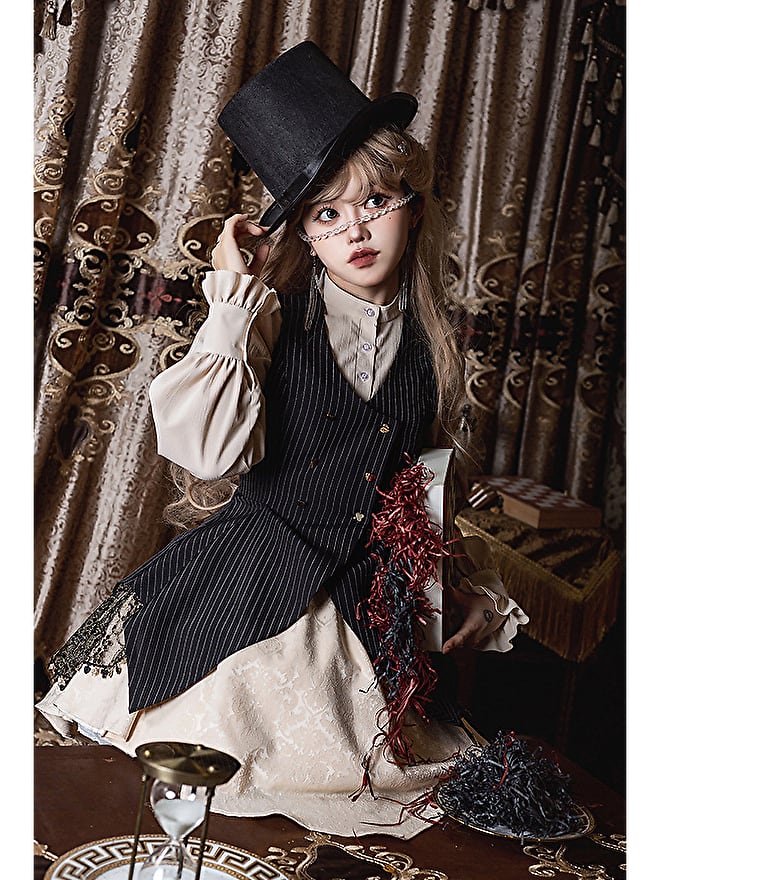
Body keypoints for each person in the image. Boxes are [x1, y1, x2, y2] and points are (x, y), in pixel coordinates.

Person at [36, 41, 528, 839]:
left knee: (396, 802)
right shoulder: (268, 318)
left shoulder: (434, 349)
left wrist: (457, 588)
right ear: (304, 231)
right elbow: (203, 453)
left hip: (362, 611)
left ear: (413, 205)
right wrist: (232, 297)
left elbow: (420, 495)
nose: (355, 229)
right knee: (226, 792)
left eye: (375, 202)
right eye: (326, 214)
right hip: (249, 588)